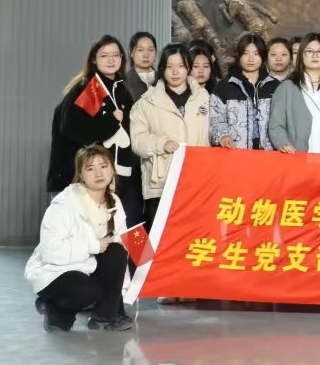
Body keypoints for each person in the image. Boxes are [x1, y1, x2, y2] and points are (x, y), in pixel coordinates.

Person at [27, 145, 133, 332]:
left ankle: (105, 317)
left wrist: (121, 296)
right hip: (56, 270)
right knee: (90, 291)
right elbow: (50, 251)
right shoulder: (64, 204)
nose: (98, 173)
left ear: (112, 170)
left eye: (103, 166)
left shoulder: (114, 201)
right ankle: (53, 309)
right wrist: (93, 246)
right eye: (90, 169)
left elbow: (119, 246)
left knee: (117, 251)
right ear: (81, 175)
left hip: (86, 265)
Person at [50, 37, 141, 221]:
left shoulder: (123, 90)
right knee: (87, 230)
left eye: (116, 55)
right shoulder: (89, 88)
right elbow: (71, 129)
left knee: (125, 225)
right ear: (94, 59)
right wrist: (111, 122)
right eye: (104, 55)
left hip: (119, 177)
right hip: (83, 178)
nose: (111, 60)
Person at [129, 43, 209, 227]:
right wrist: (161, 144)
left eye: (180, 66)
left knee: (194, 236)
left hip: (197, 182)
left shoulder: (203, 97)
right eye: (169, 66)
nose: (175, 72)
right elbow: (137, 140)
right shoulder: (147, 102)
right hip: (161, 183)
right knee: (161, 237)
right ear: (162, 69)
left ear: (188, 68)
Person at [269, 33, 320, 155]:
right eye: (309, 51)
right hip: (298, 158)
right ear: (301, 55)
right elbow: (276, 125)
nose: (315, 55)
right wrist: (283, 143)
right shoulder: (286, 88)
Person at [211, 34, 278, 150]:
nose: (250, 59)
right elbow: (216, 120)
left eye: (256, 54)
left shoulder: (275, 86)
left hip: (269, 154)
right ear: (238, 55)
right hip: (235, 152)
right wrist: (223, 136)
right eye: (245, 53)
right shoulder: (224, 87)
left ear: (263, 56)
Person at [123, 32, 158, 100]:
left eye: (151, 50)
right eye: (140, 50)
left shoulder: (163, 79)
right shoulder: (123, 83)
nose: (146, 55)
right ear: (131, 53)